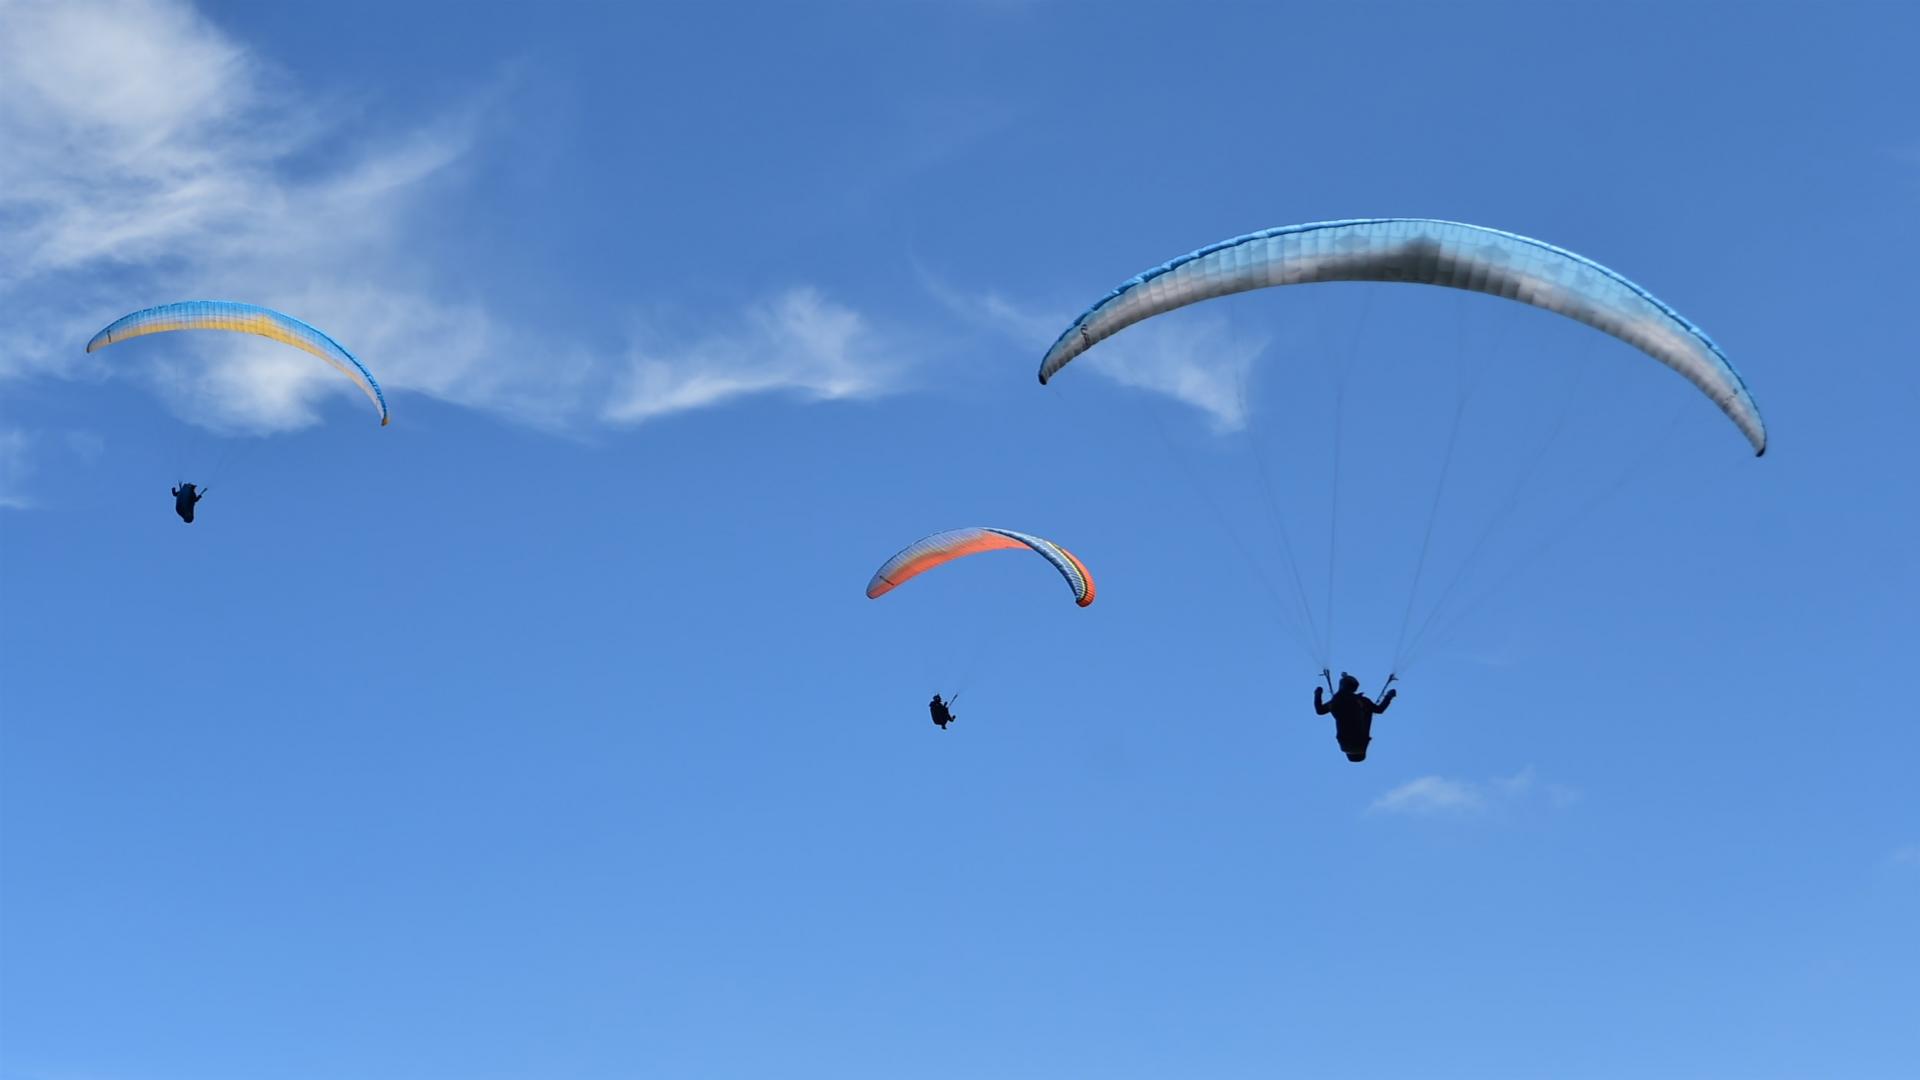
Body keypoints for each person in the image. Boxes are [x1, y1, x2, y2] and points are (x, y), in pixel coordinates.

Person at [1314, 672, 1396, 762]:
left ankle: (1356, 753)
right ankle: (1355, 753)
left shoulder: (1359, 701)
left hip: (1355, 739)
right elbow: (1320, 711)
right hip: (1350, 740)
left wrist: (1389, 696)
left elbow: (1380, 710)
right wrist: (1318, 693)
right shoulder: (1358, 701)